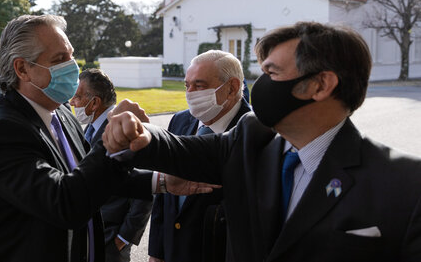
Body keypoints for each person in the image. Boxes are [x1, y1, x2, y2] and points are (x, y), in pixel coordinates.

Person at [104, 21, 421, 262]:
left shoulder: (406, 184)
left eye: (272, 72)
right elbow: (178, 150)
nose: (260, 85)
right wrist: (139, 134)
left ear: (321, 84)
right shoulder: (251, 136)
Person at [0, 14, 215, 262]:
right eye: (60, 58)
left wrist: (162, 182)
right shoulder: (0, 130)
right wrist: (111, 136)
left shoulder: (60, 111)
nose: (72, 66)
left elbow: (88, 175)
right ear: (22, 69)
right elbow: (64, 202)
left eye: (71, 55)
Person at [149, 50, 250, 262]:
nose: (190, 93)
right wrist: (156, 252)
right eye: (187, 85)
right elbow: (164, 196)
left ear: (232, 88)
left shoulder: (256, 133)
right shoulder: (180, 121)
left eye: (200, 85)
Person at [70, 68, 153, 262]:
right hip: (89, 234)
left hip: (111, 240)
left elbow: (145, 191)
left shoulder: (124, 129)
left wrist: (123, 238)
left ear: (95, 102)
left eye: (77, 98)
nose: (72, 103)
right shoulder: (88, 129)